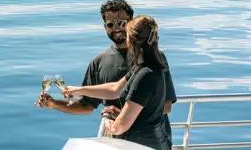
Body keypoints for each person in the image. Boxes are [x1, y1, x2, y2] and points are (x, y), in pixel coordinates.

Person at [36, 0, 177, 148]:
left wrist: (119, 118)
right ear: (105, 27)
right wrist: (62, 99)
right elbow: (113, 90)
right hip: (117, 144)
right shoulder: (111, 63)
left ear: (131, 25)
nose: (117, 28)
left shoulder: (152, 64)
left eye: (122, 23)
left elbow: (165, 106)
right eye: (111, 24)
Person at [63, 16, 170, 150]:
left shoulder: (145, 75)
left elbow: (120, 126)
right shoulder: (146, 66)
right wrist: (79, 90)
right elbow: (115, 89)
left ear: (132, 41)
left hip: (141, 145)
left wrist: (109, 124)